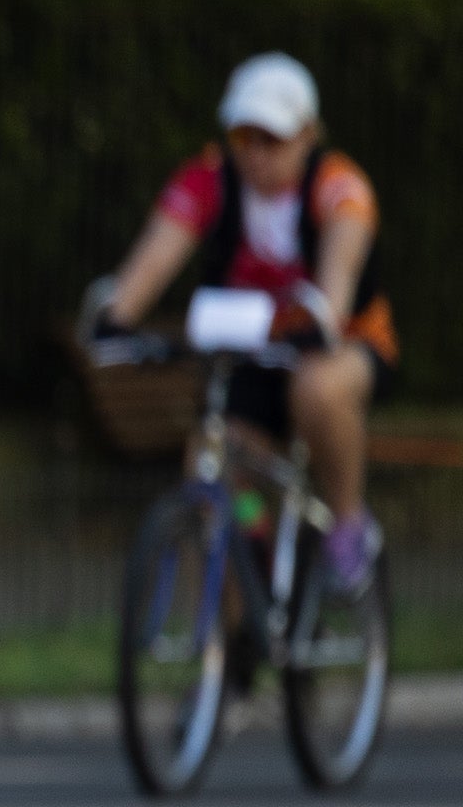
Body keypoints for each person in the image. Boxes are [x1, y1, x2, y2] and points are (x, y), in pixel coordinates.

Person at [94, 51, 387, 586]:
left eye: (271, 138)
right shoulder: (210, 179)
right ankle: (249, 560)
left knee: (317, 389)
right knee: (214, 462)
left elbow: (341, 267)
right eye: (242, 137)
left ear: (307, 133)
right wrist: (117, 316)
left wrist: (324, 313)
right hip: (254, 349)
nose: (255, 154)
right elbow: (157, 253)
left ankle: (348, 524)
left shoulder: (339, 185)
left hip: (339, 344)